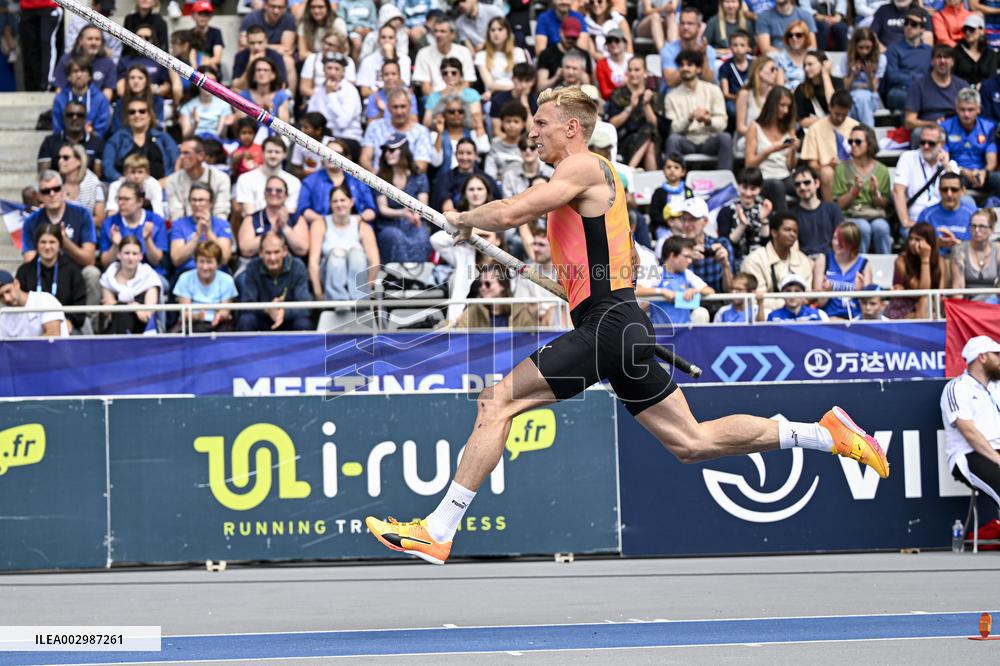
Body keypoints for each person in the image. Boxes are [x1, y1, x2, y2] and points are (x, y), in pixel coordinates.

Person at [365, 85, 889, 565]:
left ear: (571, 128)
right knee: (692, 442)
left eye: (541, 124)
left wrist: (462, 220)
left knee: (496, 402)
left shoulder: (582, 166)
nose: (533, 133)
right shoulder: (598, 182)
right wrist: (569, 282)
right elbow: (610, 262)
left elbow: (511, 212)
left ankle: (439, 529)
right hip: (621, 323)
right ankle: (825, 434)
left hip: (609, 325)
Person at [22, 170, 99, 311]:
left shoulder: (82, 214)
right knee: (24, 274)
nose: (52, 194)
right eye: (46, 191)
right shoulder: (31, 221)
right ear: (39, 196)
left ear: (63, 190)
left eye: (56, 189)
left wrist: (64, 242)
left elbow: (90, 259)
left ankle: (88, 321)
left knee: (92, 273)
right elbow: (29, 260)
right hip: (45, 273)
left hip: (77, 272)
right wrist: (50, 247)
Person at [941, 335, 1000, 510]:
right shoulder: (957, 387)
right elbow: (968, 432)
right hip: (969, 454)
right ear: (982, 357)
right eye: (996, 354)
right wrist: (997, 459)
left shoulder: (996, 386)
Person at [305, 184, 380, 301]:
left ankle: (359, 299)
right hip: (328, 278)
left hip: (358, 281)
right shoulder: (320, 224)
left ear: (351, 202)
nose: (339, 204)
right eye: (335, 201)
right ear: (330, 204)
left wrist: (368, 288)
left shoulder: (363, 226)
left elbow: (374, 262)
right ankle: (339, 301)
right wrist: (318, 292)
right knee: (337, 253)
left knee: (357, 254)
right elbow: (313, 261)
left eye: (342, 200)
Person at [663, 50, 731, 171]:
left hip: (709, 139)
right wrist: (689, 118)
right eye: (682, 65)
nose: (685, 68)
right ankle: (674, 180)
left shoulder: (713, 90)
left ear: (699, 69)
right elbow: (672, 128)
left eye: (689, 65)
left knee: (725, 138)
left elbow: (722, 124)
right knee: (673, 140)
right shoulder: (671, 96)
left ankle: (725, 178)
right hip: (686, 140)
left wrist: (708, 120)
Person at [14, 223, 87, 333]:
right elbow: (18, 302)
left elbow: (80, 305)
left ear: (60, 244)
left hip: (65, 326)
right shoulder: (24, 271)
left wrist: (70, 321)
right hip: (31, 327)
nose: (47, 247)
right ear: (36, 244)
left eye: (52, 242)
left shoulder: (73, 270)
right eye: (43, 242)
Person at [833, 124, 892, 254]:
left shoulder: (882, 170)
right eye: (850, 141)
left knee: (881, 227)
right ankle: (859, 264)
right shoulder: (841, 168)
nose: (853, 145)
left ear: (869, 143)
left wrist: (875, 193)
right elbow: (839, 205)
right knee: (862, 228)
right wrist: (853, 192)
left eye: (858, 142)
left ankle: (886, 263)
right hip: (851, 215)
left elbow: (884, 204)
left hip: (875, 214)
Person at [236, 231, 313, 331]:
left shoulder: (298, 267)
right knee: (246, 320)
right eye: (268, 253)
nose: (272, 258)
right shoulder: (252, 267)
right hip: (262, 319)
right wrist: (267, 309)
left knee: (303, 324)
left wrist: (284, 312)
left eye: (276, 252)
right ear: (260, 253)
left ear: (285, 251)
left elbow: (306, 306)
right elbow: (247, 304)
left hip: (289, 320)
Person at [742, 212, 814, 310]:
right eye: (787, 230)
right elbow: (757, 298)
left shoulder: (803, 260)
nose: (792, 234)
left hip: (799, 313)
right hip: (765, 314)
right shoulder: (754, 260)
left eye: (795, 231)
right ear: (774, 233)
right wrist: (792, 303)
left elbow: (807, 295)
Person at [637, 236, 714, 326]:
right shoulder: (658, 272)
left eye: (690, 257)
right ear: (672, 255)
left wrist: (696, 290)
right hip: (660, 330)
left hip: (684, 330)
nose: (690, 261)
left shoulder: (687, 273)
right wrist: (662, 291)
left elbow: (710, 290)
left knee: (701, 312)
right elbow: (637, 290)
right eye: (686, 256)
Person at [744, 86, 798, 212]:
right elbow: (749, 164)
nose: (786, 110)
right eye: (782, 105)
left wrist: (793, 149)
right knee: (777, 186)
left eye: (788, 106)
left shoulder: (789, 128)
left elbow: (790, 166)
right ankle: (784, 221)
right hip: (763, 177)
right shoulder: (754, 128)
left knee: (806, 183)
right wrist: (770, 150)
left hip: (785, 175)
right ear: (772, 105)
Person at [298, 137, 377, 220]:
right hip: (322, 225)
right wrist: (326, 222)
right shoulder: (310, 181)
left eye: (337, 154)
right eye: (327, 152)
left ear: (347, 158)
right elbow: (304, 209)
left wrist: (352, 221)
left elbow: (371, 210)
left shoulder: (358, 180)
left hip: (356, 224)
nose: (331, 157)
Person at [98, 182, 168, 276]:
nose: (121, 203)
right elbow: (105, 264)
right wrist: (115, 245)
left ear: (140, 202)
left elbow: (156, 261)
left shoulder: (156, 221)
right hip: (119, 274)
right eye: (119, 199)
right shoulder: (109, 223)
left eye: (126, 199)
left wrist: (147, 240)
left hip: (150, 274)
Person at [606, 57, 664, 170]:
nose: (632, 74)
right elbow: (612, 124)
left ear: (645, 73)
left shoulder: (654, 95)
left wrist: (646, 105)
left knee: (650, 133)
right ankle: (647, 177)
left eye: (637, 70)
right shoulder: (618, 94)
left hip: (652, 139)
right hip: (625, 139)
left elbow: (657, 125)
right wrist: (630, 107)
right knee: (650, 137)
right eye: (630, 70)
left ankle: (630, 170)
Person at [892, 125, 950, 235]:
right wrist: (905, 220)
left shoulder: (949, 165)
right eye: (923, 142)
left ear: (941, 144)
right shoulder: (908, 157)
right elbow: (898, 191)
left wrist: (946, 167)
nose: (926, 146)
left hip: (941, 221)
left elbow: (958, 194)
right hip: (916, 220)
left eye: (931, 143)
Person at [103, 98, 179, 182]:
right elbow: (107, 166)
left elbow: (176, 163)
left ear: (150, 115)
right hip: (125, 186)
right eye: (132, 112)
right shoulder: (117, 139)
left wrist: (166, 181)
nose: (137, 115)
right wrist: (123, 181)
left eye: (142, 111)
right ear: (127, 117)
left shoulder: (164, 138)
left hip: (161, 186)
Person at [941, 88, 1000, 196]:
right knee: (952, 180)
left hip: (980, 173)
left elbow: (992, 161)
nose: (966, 114)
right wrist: (962, 171)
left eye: (971, 109)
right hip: (955, 172)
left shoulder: (988, 127)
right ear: (956, 108)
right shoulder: (945, 127)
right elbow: (944, 159)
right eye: (962, 109)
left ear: (978, 109)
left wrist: (983, 173)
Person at [801, 89, 857, 202]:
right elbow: (812, 164)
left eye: (844, 114)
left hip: (851, 170)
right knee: (827, 172)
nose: (840, 118)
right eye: (837, 114)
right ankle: (830, 208)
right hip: (825, 173)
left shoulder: (855, 127)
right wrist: (829, 165)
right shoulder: (815, 128)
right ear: (829, 108)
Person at [360, 87, 433, 173]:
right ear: (388, 107)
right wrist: (378, 178)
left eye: (403, 106)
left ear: (410, 107)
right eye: (395, 107)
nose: (399, 111)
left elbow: (422, 166)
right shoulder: (375, 126)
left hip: (410, 177)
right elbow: (364, 159)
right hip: (378, 176)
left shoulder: (421, 131)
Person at [99, 235, 160, 335]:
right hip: (115, 328)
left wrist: (118, 304)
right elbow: (109, 313)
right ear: (119, 255)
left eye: (135, 254)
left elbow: (147, 315)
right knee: (120, 314)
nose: (130, 258)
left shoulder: (150, 277)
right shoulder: (108, 278)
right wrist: (133, 306)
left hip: (143, 330)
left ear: (141, 256)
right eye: (126, 253)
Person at [905, 45, 968, 141]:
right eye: (938, 57)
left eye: (946, 57)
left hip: (956, 127)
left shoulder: (962, 86)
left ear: (953, 62)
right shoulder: (918, 85)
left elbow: (970, 114)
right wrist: (934, 124)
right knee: (917, 134)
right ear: (932, 61)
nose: (942, 61)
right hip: (928, 129)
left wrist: (949, 124)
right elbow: (909, 121)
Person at [238, 175, 309, 261]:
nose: (273, 193)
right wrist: (272, 231)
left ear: (286, 195)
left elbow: (302, 250)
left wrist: (285, 228)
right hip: (257, 263)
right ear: (264, 194)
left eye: (279, 190)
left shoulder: (296, 219)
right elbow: (245, 250)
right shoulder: (251, 219)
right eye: (269, 190)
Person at [172, 240, 238, 333]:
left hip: (219, 324)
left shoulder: (227, 280)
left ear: (218, 264)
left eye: (209, 262)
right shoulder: (185, 278)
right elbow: (184, 313)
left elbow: (225, 311)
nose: (205, 267)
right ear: (196, 262)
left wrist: (220, 316)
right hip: (192, 323)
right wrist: (197, 317)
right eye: (201, 261)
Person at [812, 221, 872, 320]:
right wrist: (826, 292)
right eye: (835, 238)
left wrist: (860, 292)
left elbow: (869, 304)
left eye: (842, 240)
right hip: (828, 318)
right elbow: (818, 303)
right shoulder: (823, 260)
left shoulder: (864, 264)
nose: (837, 243)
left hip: (856, 319)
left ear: (852, 242)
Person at [170, 183, 234, 274]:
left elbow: (224, 259)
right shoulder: (179, 224)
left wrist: (208, 231)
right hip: (188, 272)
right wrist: (197, 235)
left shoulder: (222, 225)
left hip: (217, 273)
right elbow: (176, 259)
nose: (197, 204)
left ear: (211, 203)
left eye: (201, 200)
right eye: (193, 200)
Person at [234, 136, 301, 222]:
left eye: (277, 152)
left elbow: (290, 213)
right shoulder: (245, 179)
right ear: (262, 153)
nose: (273, 155)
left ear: (285, 154)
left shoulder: (294, 182)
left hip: (283, 226)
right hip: (255, 226)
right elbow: (250, 214)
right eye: (269, 151)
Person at [451, 263, 537, 329]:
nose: (482, 288)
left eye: (487, 284)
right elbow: (460, 340)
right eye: (480, 284)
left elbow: (531, 339)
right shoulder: (472, 312)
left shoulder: (520, 312)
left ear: (502, 286)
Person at [165, 137, 231, 222]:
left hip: (213, 226)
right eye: (180, 153)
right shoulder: (172, 181)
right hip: (184, 227)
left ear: (201, 156)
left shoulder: (221, 178)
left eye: (186, 153)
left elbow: (221, 212)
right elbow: (176, 214)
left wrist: (209, 228)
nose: (181, 157)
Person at [886, 221, 943, 319]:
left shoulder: (940, 261)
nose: (912, 243)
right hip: (903, 307)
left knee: (926, 304)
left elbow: (940, 293)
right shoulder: (901, 261)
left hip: (930, 306)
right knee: (924, 301)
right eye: (911, 239)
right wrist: (925, 259)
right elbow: (922, 292)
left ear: (929, 242)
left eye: (918, 240)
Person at [716, 167, 771, 267]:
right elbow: (725, 244)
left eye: (753, 189)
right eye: (744, 187)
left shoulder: (765, 208)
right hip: (735, 262)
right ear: (738, 186)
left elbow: (767, 244)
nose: (748, 193)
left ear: (760, 189)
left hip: (761, 262)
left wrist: (763, 220)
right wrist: (742, 225)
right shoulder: (726, 211)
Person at [676, 197, 733, 294]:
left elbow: (729, 290)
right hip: (686, 300)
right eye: (683, 219)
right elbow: (666, 281)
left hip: (717, 300)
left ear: (705, 221)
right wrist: (686, 260)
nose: (686, 224)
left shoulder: (721, 244)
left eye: (692, 219)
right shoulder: (675, 247)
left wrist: (725, 265)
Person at [239, 0, 297, 93]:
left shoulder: (288, 19)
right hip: (252, 54)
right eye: (273, 6)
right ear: (265, 5)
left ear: (285, 8)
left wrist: (261, 45)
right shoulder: (250, 18)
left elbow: (286, 49)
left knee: (288, 61)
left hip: (275, 57)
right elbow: (243, 47)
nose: (276, 11)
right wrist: (261, 46)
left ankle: (289, 98)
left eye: (280, 7)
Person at [305, 52, 363, 144]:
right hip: (323, 138)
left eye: (337, 69)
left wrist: (331, 95)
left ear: (343, 72)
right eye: (329, 68)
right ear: (323, 70)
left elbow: (342, 123)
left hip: (347, 138)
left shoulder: (350, 90)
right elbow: (312, 118)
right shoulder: (318, 90)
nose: (332, 72)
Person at [430, 138, 502, 212]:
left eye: (469, 153)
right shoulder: (445, 180)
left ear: (476, 155)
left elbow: (497, 206)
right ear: (455, 154)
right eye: (461, 153)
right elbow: (448, 210)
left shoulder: (487, 179)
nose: (465, 157)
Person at [412, 17, 476, 98]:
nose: (438, 35)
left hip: (460, 96)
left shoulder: (464, 52)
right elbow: (425, 89)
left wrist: (454, 96)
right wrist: (442, 96)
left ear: (452, 35)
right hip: (435, 97)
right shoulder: (423, 53)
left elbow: (467, 82)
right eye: (435, 31)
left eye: (442, 31)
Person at [37, 101, 105, 176]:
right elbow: (44, 175)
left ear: (85, 118)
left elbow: (97, 175)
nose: (74, 118)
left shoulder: (97, 143)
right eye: (70, 115)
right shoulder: (49, 142)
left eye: (80, 115)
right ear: (64, 117)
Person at [885, 8, 932, 113]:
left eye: (914, 24)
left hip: (924, 90)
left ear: (922, 29)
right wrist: (917, 79)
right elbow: (892, 76)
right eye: (906, 23)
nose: (908, 27)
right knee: (911, 98)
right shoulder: (893, 49)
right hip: (900, 90)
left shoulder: (929, 51)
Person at [734, 55, 784, 153]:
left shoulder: (775, 95)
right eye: (772, 69)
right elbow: (740, 127)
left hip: (773, 138)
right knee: (766, 146)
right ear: (759, 71)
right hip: (749, 138)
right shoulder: (745, 94)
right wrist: (763, 135)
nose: (775, 73)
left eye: (776, 70)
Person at [917, 172, 975, 253]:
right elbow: (917, 244)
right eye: (944, 189)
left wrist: (957, 245)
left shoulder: (973, 215)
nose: (949, 194)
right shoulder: (926, 215)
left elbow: (979, 247)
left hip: (964, 259)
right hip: (935, 259)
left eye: (954, 190)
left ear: (962, 191)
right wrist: (937, 244)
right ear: (939, 190)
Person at [792, 165, 843, 256]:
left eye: (806, 182)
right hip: (804, 260)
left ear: (817, 183)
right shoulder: (791, 215)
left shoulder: (833, 210)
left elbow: (841, 241)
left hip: (830, 258)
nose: (802, 187)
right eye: (797, 184)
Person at [660, 8, 718, 89]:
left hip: (699, 93)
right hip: (674, 93)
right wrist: (692, 55)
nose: (685, 27)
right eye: (682, 23)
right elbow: (671, 82)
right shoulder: (668, 50)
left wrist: (703, 56)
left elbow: (708, 81)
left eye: (690, 23)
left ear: (698, 27)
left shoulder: (708, 50)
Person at [52, 59, 110, 139]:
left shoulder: (101, 99)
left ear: (89, 76)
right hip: (65, 141)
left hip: (93, 141)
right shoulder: (59, 99)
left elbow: (102, 129)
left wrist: (89, 134)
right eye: (75, 71)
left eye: (83, 71)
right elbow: (57, 128)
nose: (79, 75)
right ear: (68, 77)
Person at [0, 270, 67, 337]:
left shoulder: (44, 299)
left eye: (8, 291)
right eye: (1, 296)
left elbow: (53, 335)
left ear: (16, 284)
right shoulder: (3, 315)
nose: (7, 298)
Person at [951, 209, 1000, 301]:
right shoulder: (959, 250)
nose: (977, 230)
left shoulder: (998, 249)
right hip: (969, 304)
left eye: (982, 226)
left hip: (993, 304)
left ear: (992, 229)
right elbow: (958, 288)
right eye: (973, 226)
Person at [56, 142, 105, 230]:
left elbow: (99, 220)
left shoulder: (95, 184)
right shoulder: (55, 182)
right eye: (59, 157)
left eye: (65, 158)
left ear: (79, 161)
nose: (60, 161)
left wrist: (75, 221)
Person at [109, 65, 166, 138]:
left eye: (140, 78)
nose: (136, 81)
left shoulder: (156, 100)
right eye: (132, 78)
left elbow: (159, 127)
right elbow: (116, 130)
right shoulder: (121, 103)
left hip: (151, 139)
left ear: (147, 81)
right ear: (127, 81)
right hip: (125, 140)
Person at [843, 28, 885, 127]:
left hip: (870, 97)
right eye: (860, 47)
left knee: (861, 97)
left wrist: (869, 75)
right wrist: (853, 75)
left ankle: (866, 130)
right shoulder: (845, 58)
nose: (864, 51)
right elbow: (846, 88)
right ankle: (867, 130)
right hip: (850, 96)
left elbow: (873, 89)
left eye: (867, 48)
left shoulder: (881, 59)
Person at [177, 66, 233, 140]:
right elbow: (185, 137)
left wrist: (225, 125)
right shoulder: (187, 105)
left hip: (215, 141)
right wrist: (195, 123)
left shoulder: (224, 104)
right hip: (195, 141)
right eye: (205, 81)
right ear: (197, 83)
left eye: (213, 81)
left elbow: (221, 136)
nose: (209, 85)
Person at [648, 152, 694, 240]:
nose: (672, 170)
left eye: (676, 167)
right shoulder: (659, 192)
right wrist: (669, 221)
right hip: (664, 228)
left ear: (683, 172)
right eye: (668, 167)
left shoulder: (688, 191)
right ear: (663, 171)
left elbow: (692, 209)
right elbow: (654, 214)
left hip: (685, 227)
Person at [794, 50, 843, 132]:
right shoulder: (801, 89)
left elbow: (833, 104)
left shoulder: (837, 82)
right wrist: (827, 120)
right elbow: (802, 121)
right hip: (812, 131)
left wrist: (825, 75)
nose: (806, 68)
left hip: (836, 130)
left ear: (823, 64)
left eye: (810, 64)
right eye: (805, 65)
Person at [105, 154, 165, 219]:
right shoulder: (116, 186)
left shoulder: (154, 185)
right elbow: (112, 212)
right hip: (122, 220)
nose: (136, 176)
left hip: (147, 220)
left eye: (140, 172)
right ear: (125, 173)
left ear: (147, 174)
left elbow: (158, 212)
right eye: (133, 172)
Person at [233, 25, 289, 90]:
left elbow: (282, 85)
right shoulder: (240, 56)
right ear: (247, 42)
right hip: (248, 92)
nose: (256, 47)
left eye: (260, 42)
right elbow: (236, 86)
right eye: (252, 43)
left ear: (266, 41)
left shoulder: (276, 56)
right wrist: (249, 67)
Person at [484, 101, 527, 181]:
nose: (512, 125)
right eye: (508, 121)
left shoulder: (530, 146)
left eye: (516, 121)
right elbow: (490, 174)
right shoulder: (495, 145)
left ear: (523, 124)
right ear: (502, 123)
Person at [953, 15, 999, 87]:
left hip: (985, 92)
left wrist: (983, 86)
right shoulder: (955, 52)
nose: (967, 32)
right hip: (961, 91)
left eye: (971, 29)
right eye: (965, 29)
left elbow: (993, 77)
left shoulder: (991, 54)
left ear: (982, 31)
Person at [718, 30, 753, 122]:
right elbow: (725, 93)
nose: (738, 48)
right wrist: (739, 98)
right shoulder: (725, 67)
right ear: (730, 47)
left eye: (742, 45)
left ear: (748, 48)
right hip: (734, 99)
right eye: (735, 45)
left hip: (752, 98)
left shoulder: (754, 65)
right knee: (732, 110)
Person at [771, 20, 810, 91]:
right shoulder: (780, 58)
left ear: (806, 37)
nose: (794, 38)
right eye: (790, 35)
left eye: (798, 35)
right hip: (788, 95)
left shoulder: (813, 56)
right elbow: (780, 88)